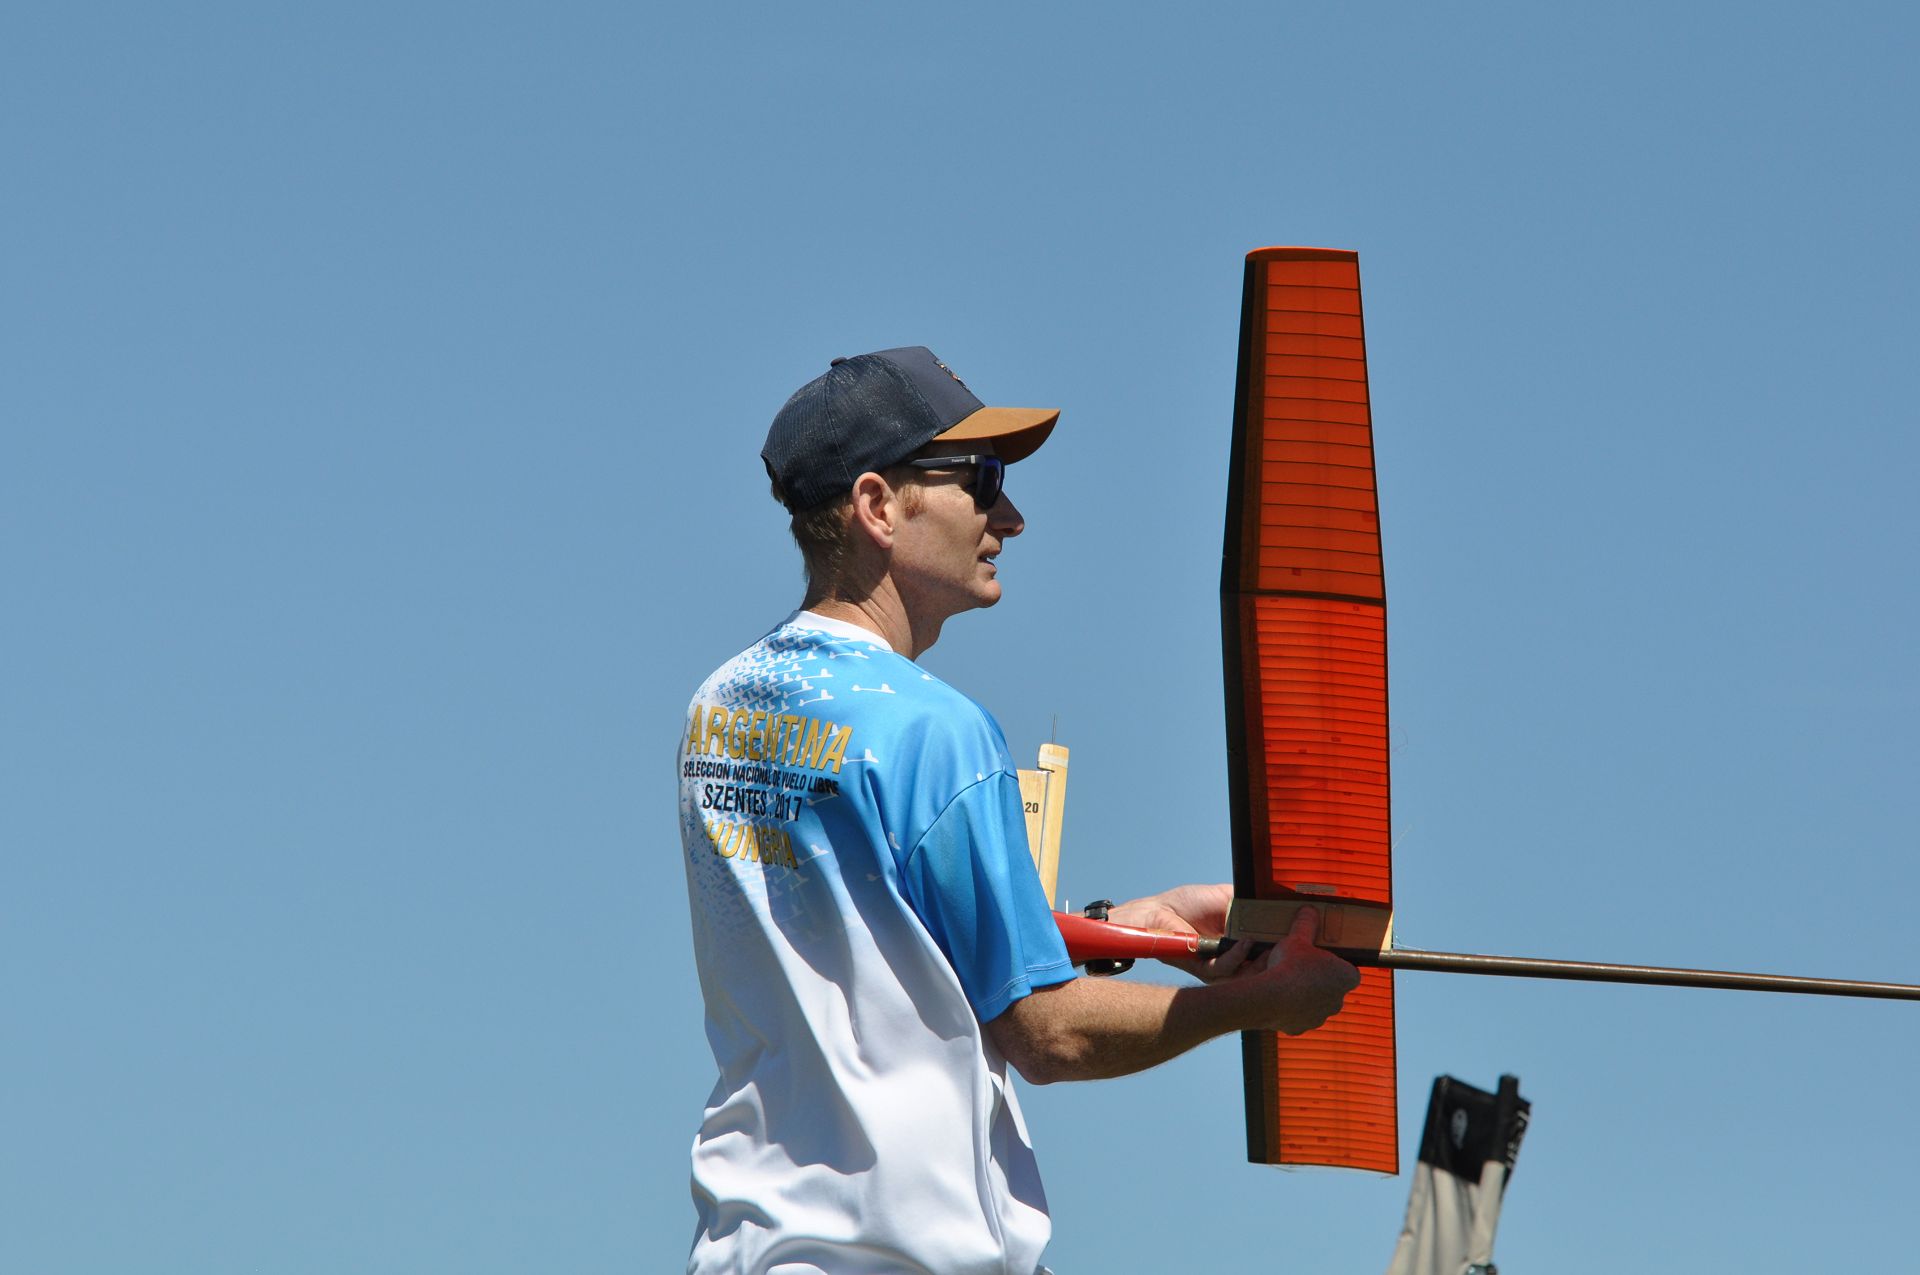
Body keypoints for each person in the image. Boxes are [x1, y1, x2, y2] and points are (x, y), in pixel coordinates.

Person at [678, 346, 1360, 1274]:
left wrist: (1121, 927)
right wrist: (1262, 1003)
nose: (1010, 517)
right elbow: (1047, 1034)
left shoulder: (721, 707)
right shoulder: (936, 729)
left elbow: (873, 931)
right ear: (877, 505)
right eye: (982, 480)